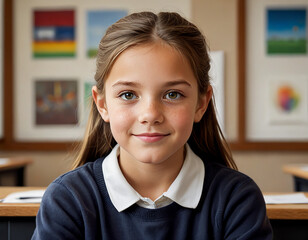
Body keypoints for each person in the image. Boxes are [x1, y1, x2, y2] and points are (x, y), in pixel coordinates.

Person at [32, 11, 272, 239]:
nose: (150, 115)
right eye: (128, 95)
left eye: (173, 94)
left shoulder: (237, 199)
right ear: (102, 105)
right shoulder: (69, 199)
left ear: (201, 104)